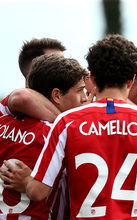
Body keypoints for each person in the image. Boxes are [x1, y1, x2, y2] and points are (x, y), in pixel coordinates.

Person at [0, 34, 137, 219]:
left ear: (92, 77)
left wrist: (26, 182)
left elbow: (38, 192)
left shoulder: (67, 122)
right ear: (131, 80)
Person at [0, 53, 88, 219]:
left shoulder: (3, 120)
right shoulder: (59, 136)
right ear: (56, 95)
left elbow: (21, 97)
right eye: (80, 90)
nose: (85, 98)